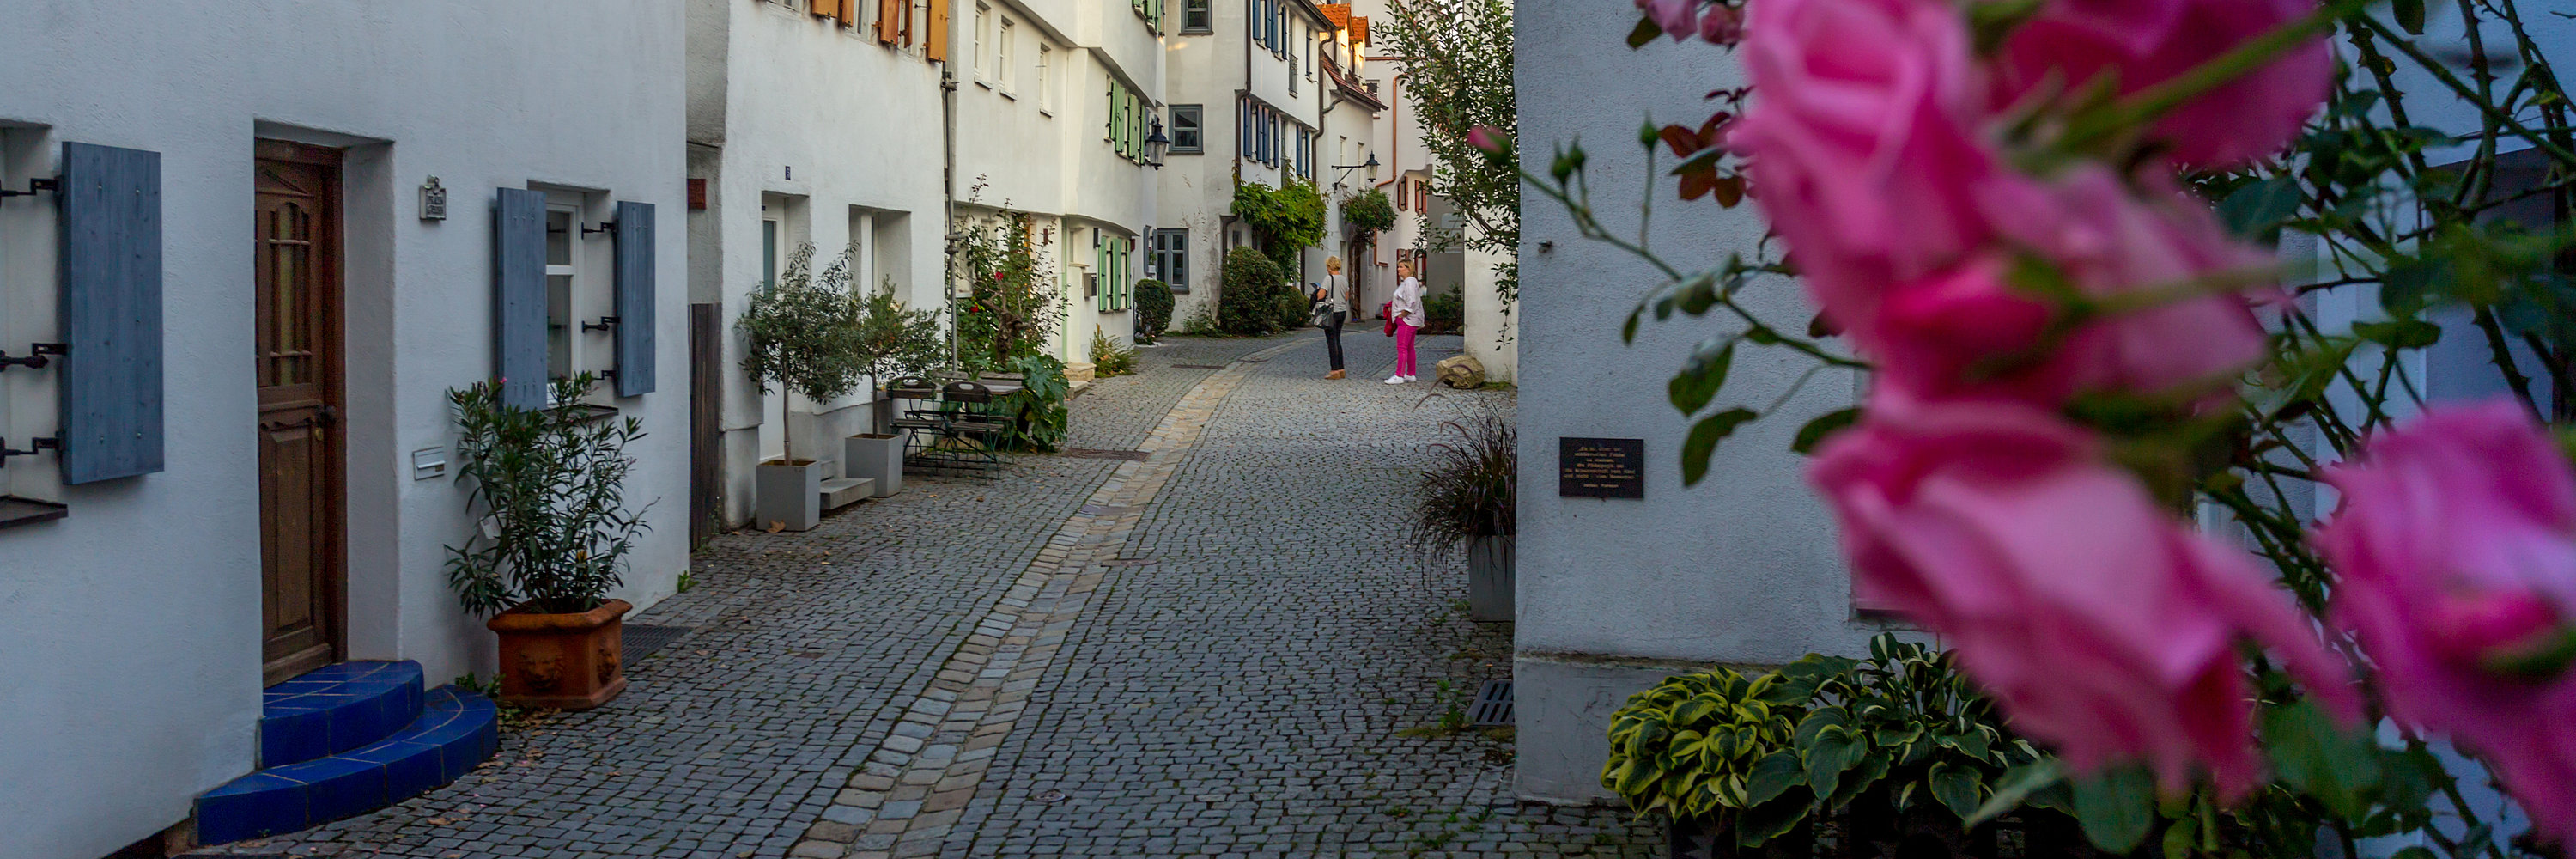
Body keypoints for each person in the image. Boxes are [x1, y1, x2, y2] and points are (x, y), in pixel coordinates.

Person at [1387, 261, 1424, 384]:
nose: (1398, 269)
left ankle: (1399, 375)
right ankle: (1411, 374)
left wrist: (1404, 314)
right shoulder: (1407, 282)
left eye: (1401, 267)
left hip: (1408, 320)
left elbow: (1412, 300)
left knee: (1402, 347)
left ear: (1409, 269)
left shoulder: (1410, 282)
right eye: (1398, 266)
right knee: (1409, 347)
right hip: (1409, 319)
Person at [1315, 257, 1350, 380]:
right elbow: (1346, 296)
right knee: (1337, 339)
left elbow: (1321, 295)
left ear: (1329, 267)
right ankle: (1341, 369)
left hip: (1332, 312)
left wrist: (1318, 291)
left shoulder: (1328, 278)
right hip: (1342, 311)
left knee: (1331, 340)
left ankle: (1334, 370)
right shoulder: (1344, 279)